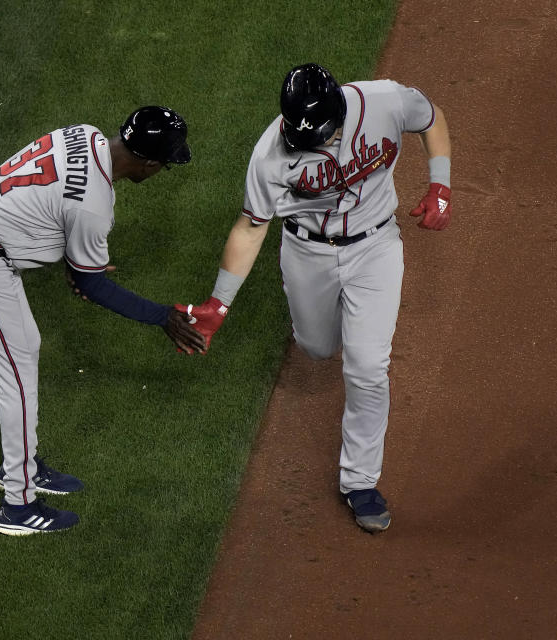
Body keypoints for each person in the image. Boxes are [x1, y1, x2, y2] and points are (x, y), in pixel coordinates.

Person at [181, 64, 452, 533]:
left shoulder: (385, 101)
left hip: (376, 246)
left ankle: (360, 482)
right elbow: (250, 228)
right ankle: (317, 322)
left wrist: (440, 185)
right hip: (306, 252)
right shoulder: (270, 156)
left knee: (367, 367)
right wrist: (218, 303)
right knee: (317, 348)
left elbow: (431, 118)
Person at [0, 106, 207, 536]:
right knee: (17, 374)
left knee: (26, 351)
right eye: (165, 166)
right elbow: (91, 284)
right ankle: (17, 507)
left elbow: (52, 205)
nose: (162, 172)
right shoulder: (94, 207)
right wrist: (163, 317)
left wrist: (79, 265)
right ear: (150, 163)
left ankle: (21, 466)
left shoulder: (84, 134)